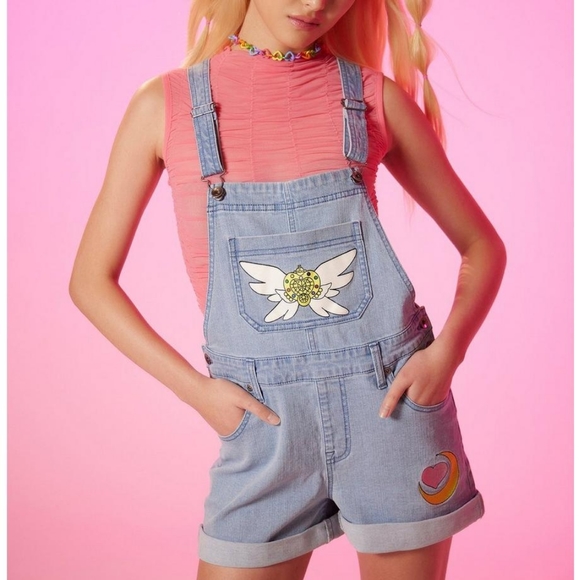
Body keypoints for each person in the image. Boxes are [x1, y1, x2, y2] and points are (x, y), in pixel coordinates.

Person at [69, 0, 506, 578]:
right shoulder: (166, 105)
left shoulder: (372, 99)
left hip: (392, 414)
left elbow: (482, 246)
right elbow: (89, 282)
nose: (316, 3)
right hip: (263, 429)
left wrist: (446, 356)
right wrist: (198, 394)